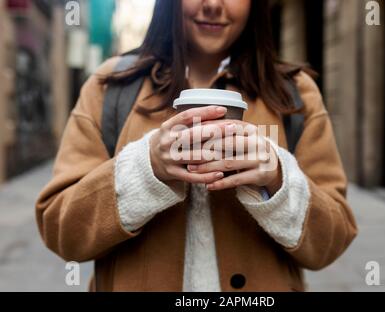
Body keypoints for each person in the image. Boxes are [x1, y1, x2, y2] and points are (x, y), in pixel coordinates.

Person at [36, 0, 357, 292]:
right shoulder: (112, 86)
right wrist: (146, 168)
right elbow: (60, 231)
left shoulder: (294, 93)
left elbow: (332, 240)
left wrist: (277, 178)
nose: (213, 5)